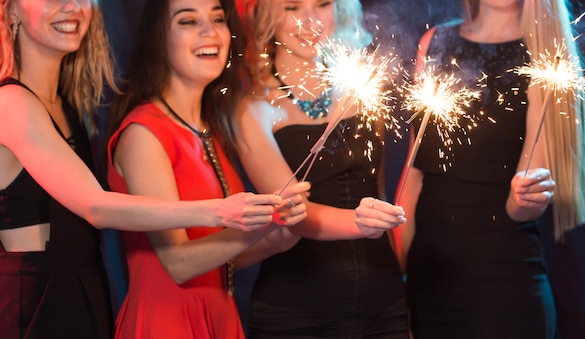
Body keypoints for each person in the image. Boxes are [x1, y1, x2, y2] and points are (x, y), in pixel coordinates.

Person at [0, 0, 294, 338]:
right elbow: (96, 206)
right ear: (10, 11)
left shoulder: (67, 107)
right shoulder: (11, 104)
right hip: (35, 311)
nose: (72, 6)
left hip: (81, 299)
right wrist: (222, 212)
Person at [394, 0, 585, 337]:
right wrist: (397, 279)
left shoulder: (545, 58)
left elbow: (519, 206)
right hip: (426, 282)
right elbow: (414, 174)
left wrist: (528, 196)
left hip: (503, 290)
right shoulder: (434, 42)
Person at [106, 0, 310, 337]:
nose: (209, 31)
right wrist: (260, 226)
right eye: (188, 21)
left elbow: (218, 264)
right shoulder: (144, 133)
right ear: (159, 38)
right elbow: (179, 264)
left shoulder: (209, 128)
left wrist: (278, 235)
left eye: (217, 19)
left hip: (219, 318)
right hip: (167, 323)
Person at [235, 0, 410, 337]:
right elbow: (293, 215)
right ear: (268, 16)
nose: (310, 20)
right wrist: (362, 223)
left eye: (323, 4)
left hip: (384, 305)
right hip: (295, 313)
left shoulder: (363, 89)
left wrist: (401, 282)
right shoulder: (252, 109)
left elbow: (379, 192)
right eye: (292, 7)